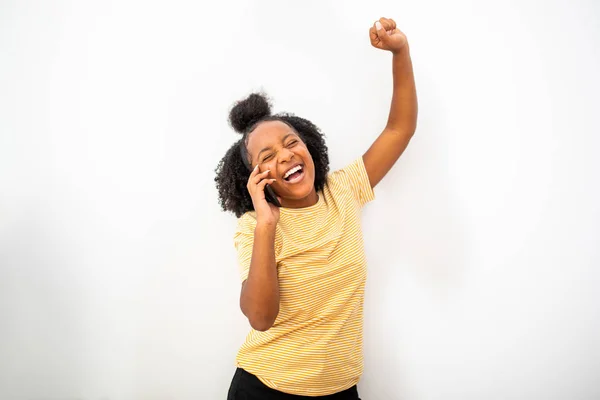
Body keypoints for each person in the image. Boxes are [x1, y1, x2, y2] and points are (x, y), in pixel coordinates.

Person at [215, 17, 418, 400]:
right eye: (268, 157)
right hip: (267, 390)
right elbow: (260, 317)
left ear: (308, 145)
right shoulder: (253, 226)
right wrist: (266, 226)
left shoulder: (342, 190)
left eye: (291, 143)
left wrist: (400, 52)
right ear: (256, 176)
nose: (286, 156)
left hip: (340, 390)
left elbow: (399, 130)